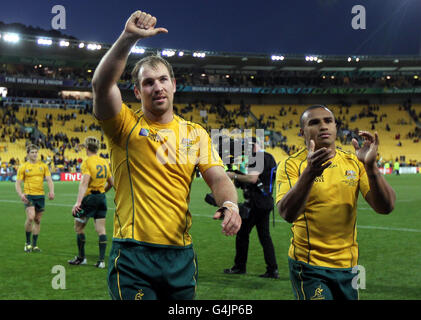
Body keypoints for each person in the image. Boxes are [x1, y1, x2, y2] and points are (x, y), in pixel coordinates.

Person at [92, 10, 241, 300]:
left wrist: (230, 204)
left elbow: (218, 176)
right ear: (137, 91)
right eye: (148, 83)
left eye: (163, 80)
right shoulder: (124, 125)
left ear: (173, 85)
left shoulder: (195, 133)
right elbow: (101, 85)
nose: (157, 87)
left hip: (181, 256)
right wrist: (128, 38)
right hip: (134, 256)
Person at [276, 105, 396, 300]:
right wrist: (310, 173)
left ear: (335, 126)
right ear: (302, 132)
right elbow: (287, 213)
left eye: (328, 121)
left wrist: (371, 167)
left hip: (349, 265)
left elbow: (386, 207)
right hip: (309, 265)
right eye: (314, 122)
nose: (323, 126)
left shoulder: (354, 162)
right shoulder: (291, 165)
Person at [224, 137, 279, 278]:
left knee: (242, 234)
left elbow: (252, 179)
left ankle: (239, 267)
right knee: (264, 237)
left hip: (257, 203)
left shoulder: (259, 157)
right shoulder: (268, 157)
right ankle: (272, 269)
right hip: (265, 202)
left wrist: (234, 175)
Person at [68, 137, 114, 268]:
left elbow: (84, 183)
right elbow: (112, 183)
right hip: (101, 198)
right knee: (101, 230)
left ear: (86, 148)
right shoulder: (104, 162)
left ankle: (82, 258)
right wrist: (102, 192)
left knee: (78, 228)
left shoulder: (87, 162)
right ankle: (101, 261)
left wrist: (78, 202)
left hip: (90, 199)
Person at [15, 144, 55, 252]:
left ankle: (34, 245)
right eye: (32, 152)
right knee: (31, 217)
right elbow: (18, 183)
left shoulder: (43, 166)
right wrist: (21, 194)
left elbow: (49, 180)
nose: (34, 154)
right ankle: (27, 243)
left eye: (36, 152)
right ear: (28, 154)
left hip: (40, 196)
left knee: (37, 220)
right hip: (29, 195)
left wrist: (51, 191)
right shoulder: (23, 167)